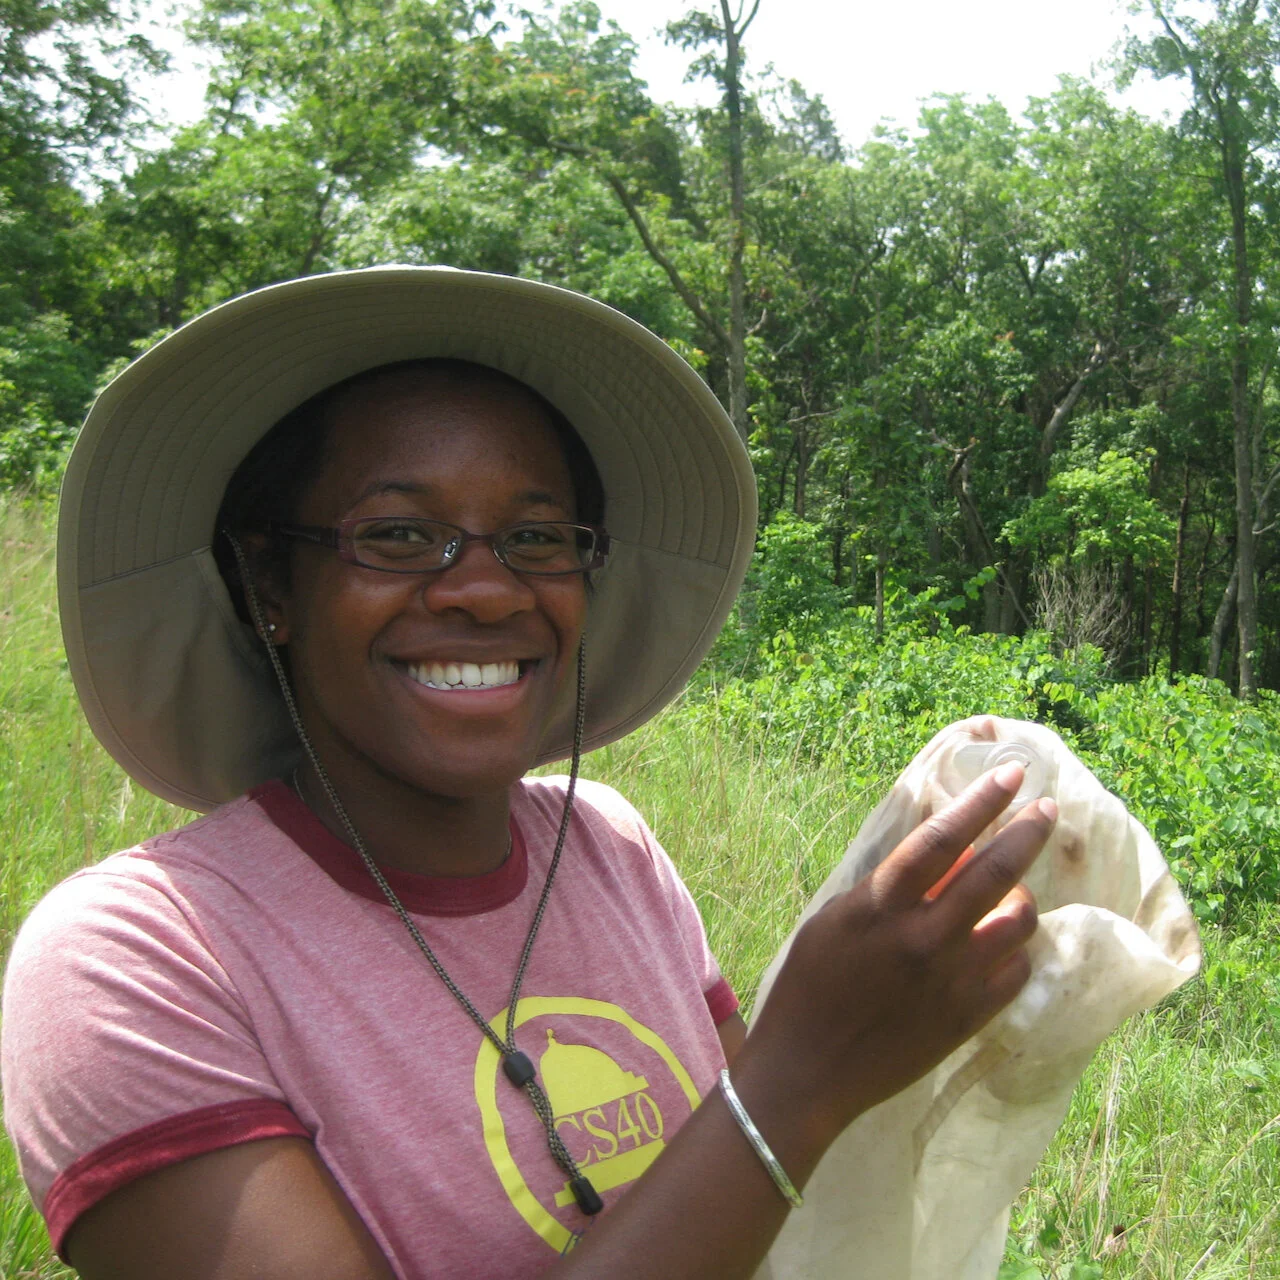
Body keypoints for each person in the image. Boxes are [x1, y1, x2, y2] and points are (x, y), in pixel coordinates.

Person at [1, 266, 1054, 1279]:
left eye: (536, 535)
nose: (486, 590)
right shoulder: (134, 956)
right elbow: (768, 1114)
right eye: (399, 534)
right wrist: (796, 1079)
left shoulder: (613, 849)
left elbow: (760, 1203)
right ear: (269, 580)